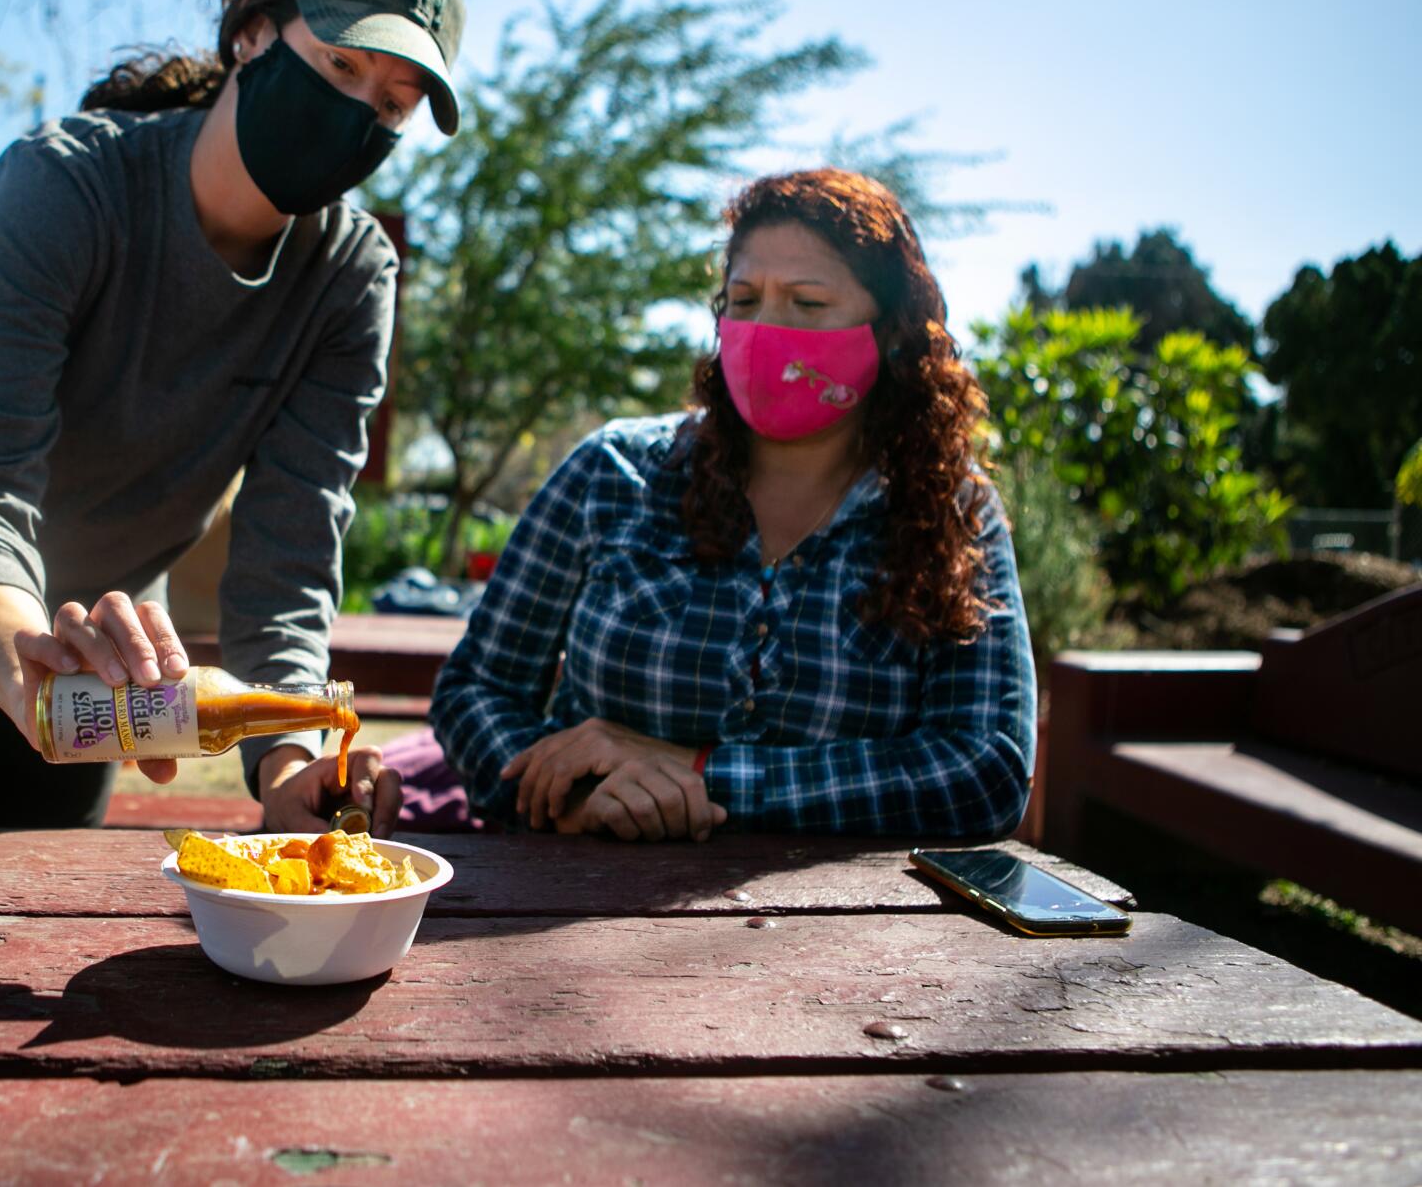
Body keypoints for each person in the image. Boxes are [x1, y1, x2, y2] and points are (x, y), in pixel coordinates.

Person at [0, 0, 465, 833]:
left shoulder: (351, 281)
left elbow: (291, 548)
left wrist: (288, 761)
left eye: (391, 105)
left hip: (103, 629)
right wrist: (28, 661)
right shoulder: (64, 186)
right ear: (251, 34)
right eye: (341, 65)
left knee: (38, 902)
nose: (357, 113)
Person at [429, 169, 1037, 842]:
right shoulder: (612, 474)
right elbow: (476, 692)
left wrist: (701, 774)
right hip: (579, 908)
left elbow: (986, 769)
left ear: (891, 331)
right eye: (743, 300)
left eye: (807, 304)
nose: (765, 329)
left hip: (856, 934)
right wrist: (571, 797)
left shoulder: (953, 512)